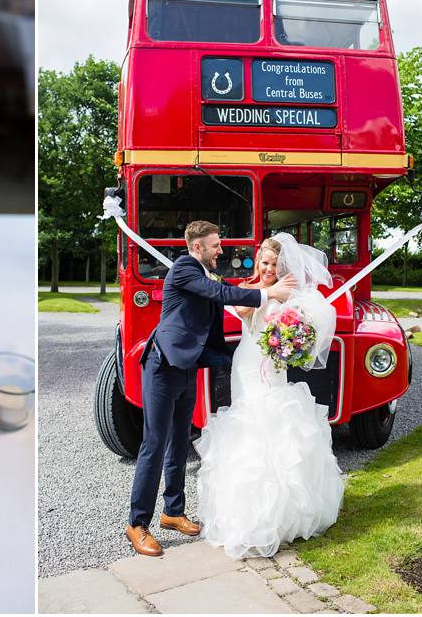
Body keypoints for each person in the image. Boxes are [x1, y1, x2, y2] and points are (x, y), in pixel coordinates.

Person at [126, 221, 297, 557]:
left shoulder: (203, 270)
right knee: (154, 444)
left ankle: (172, 512)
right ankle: (137, 523)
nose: (222, 250)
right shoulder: (185, 269)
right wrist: (268, 293)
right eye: (216, 245)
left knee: (179, 440)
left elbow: (227, 289)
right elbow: (221, 294)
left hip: (186, 367)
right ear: (197, 247)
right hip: (162, 368)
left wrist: (265, 290)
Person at [194, 234, 345, 559]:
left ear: (282, 266)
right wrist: (266, 295)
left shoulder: (289, 291)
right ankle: (244, 512)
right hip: (247, 363)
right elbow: (242, 310)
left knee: (276, 422)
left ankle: (282, 517)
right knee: (247, 422)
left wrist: (290, 335)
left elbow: (305, 326)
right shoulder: (252, 288)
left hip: (272, 366)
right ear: (257, 261)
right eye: (264, 262)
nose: (268, 268)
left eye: (274, 265)